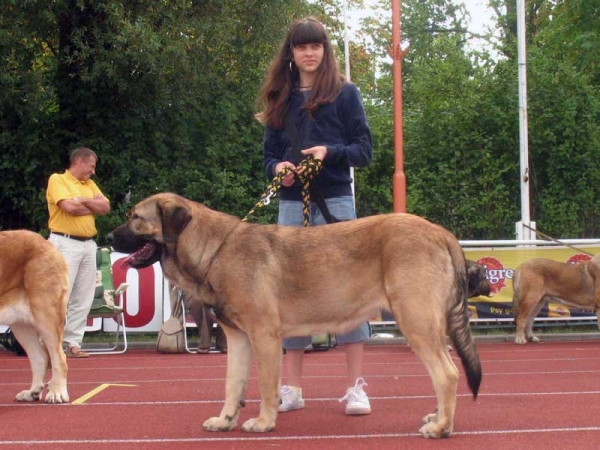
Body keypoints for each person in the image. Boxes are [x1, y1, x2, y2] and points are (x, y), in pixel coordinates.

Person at [255, 17, 373, 415]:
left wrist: (329, 152)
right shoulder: (279, 98)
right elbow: (268, 158)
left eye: (316, 45)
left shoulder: (345, 94)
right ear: (290, 53)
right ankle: (292, 388)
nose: (309, 52)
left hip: (338, 203)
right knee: (287, 294)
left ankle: (356, 386)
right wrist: (278, 170)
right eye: (301, 46)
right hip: (291, 205)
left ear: (325, 50)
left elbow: (364, 151)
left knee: (351, 290)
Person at [46, 147, 111, 358]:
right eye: (91, 166)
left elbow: (106, 207)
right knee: (59, 294)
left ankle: (73, 342)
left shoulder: (89, 184)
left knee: (83, 297)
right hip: (65, 243)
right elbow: (68, 208)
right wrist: (92, 205)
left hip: (88, 244)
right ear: (80, 162)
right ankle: (49, 342)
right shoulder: (57, 180)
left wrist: (81, 201)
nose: (93, 172)